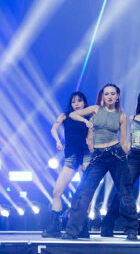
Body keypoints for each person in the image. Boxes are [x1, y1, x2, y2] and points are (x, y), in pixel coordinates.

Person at [63, 84, 138, 240]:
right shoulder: (95, 109)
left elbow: (123, 141)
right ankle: (72, 231)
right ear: (103, 96)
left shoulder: (121, 116)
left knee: (125, 192)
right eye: (106, 94)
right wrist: (86, 122)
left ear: (117, 96)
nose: (109, 96)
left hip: (116, 154)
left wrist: (127, 156)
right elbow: (73, 115)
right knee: (84, 191)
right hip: (98, 156)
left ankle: (131, 230)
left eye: (112, 94)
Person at [101, 90, 140, 238]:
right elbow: (129, 140)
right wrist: (125, 156)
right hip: (134, 156)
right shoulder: (132, 118)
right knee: (123, 189)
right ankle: (107, 224)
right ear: (139, 102)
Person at [42, 92, 92, 238]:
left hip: (86, 155)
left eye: (79, 101)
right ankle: (54, 228)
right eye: (73, 101)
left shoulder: (90, 116)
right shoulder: (64, 116)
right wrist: (58, 141)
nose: (76, 104)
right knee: (56, 192)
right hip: (71, 156)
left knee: (86, 193)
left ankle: (83, 227)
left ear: (84, 103)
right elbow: (53, 129)